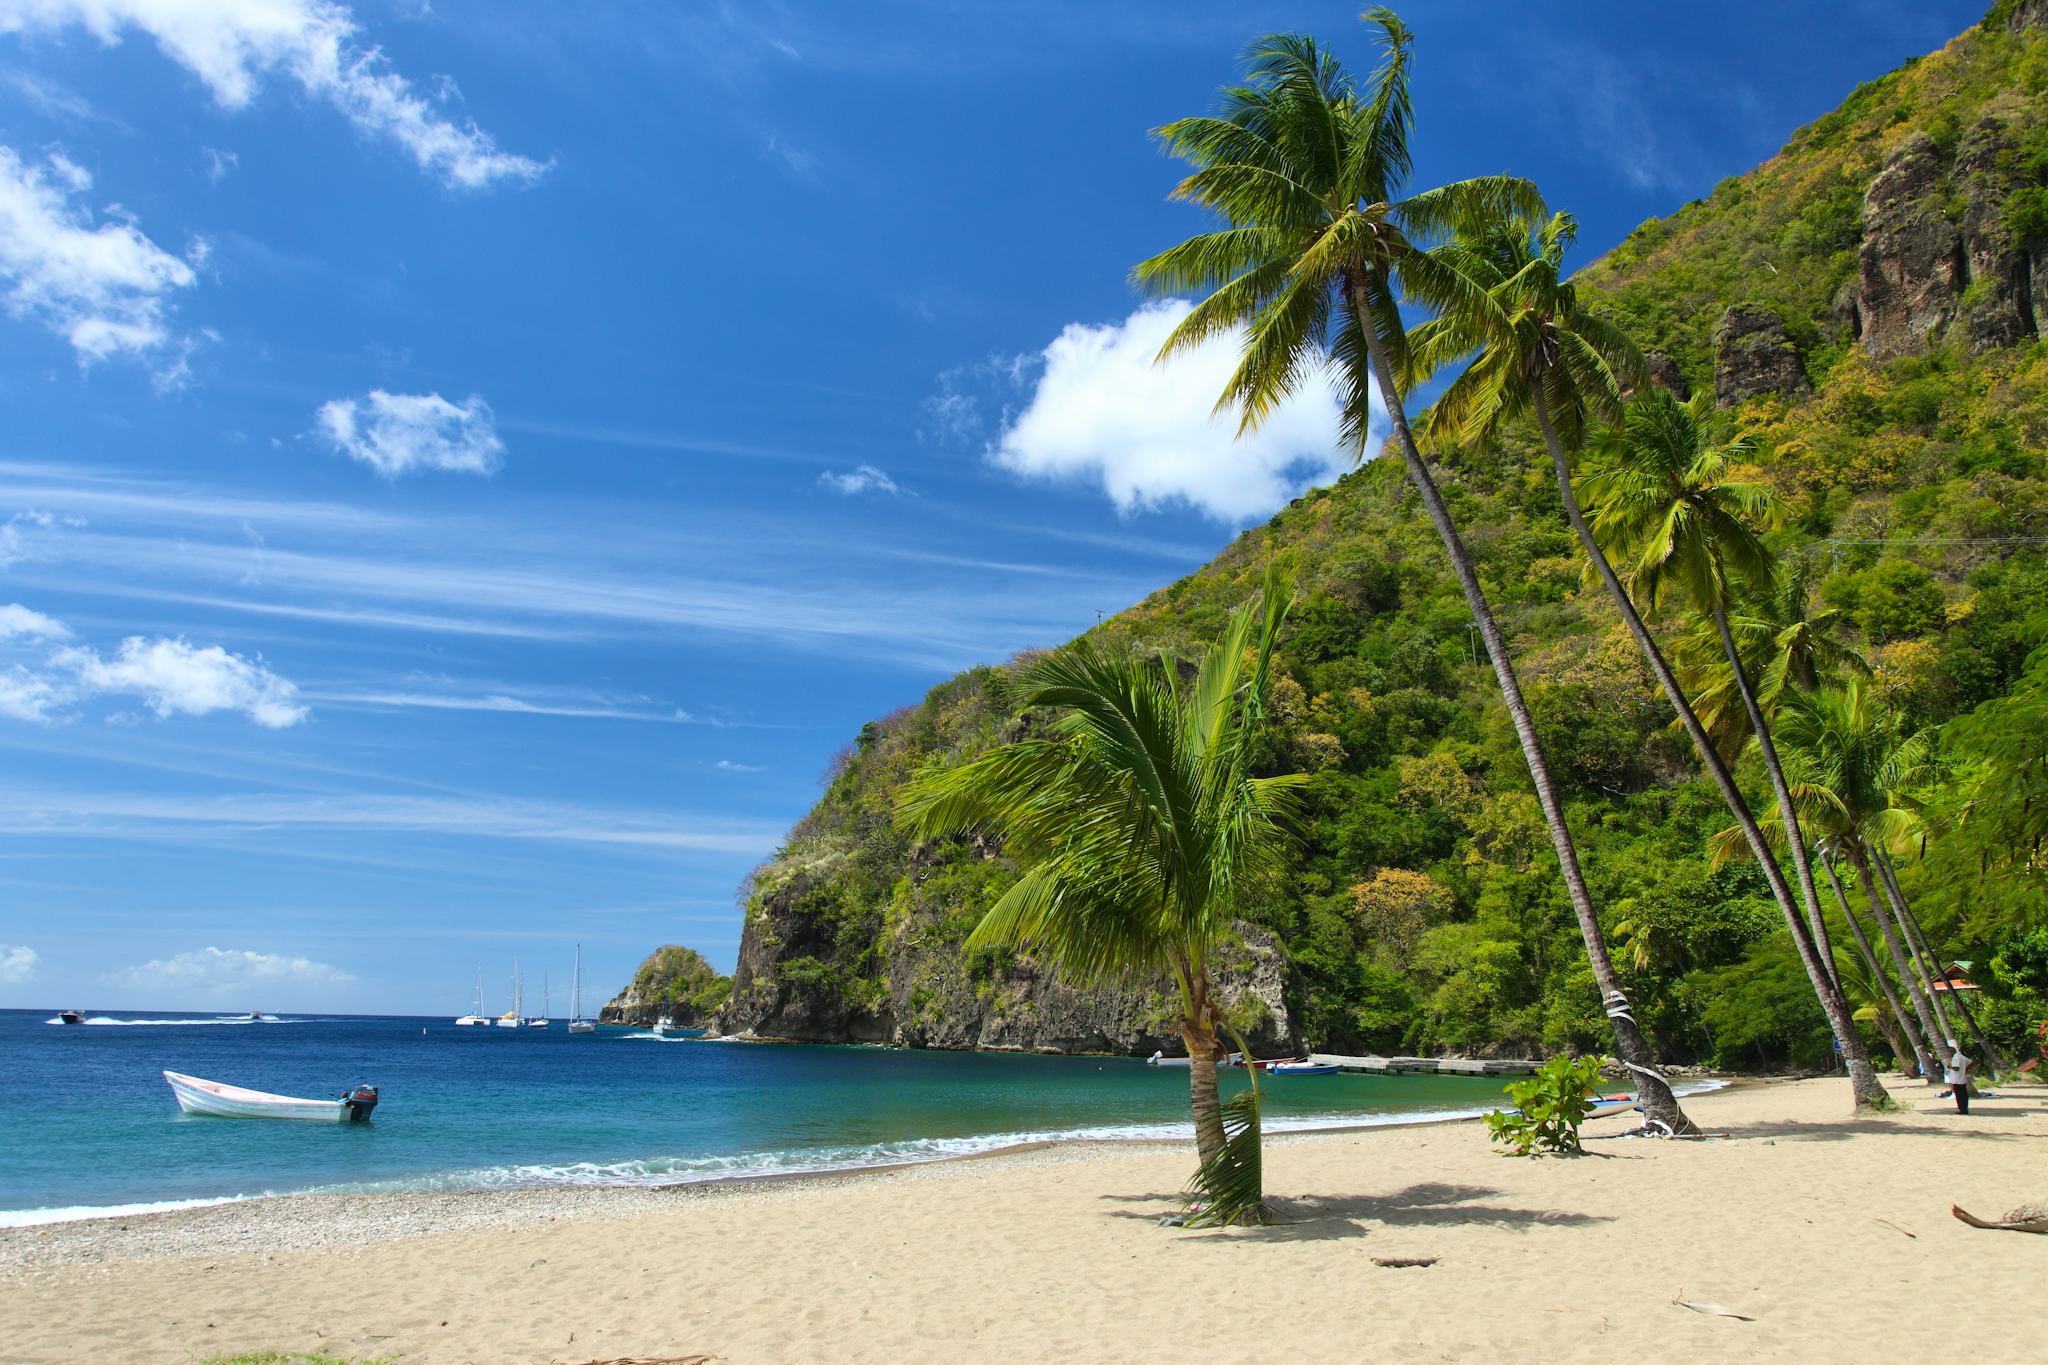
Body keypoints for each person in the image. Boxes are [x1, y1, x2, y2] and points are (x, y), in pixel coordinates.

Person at [1944, 1040, 1972, 1114]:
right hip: (1961, 1078)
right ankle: (1964, 1109)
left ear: (1951, 1051)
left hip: (1957, 1079)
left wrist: (1950, 1067)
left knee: (1960, 1096)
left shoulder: (1956, 1058)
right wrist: (1965, 1069)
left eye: (1949, 1052)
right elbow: (1970, 1062)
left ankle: (1962, 1110)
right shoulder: (1961, 1056)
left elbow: (1956, 1068)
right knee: (1964, 1095)